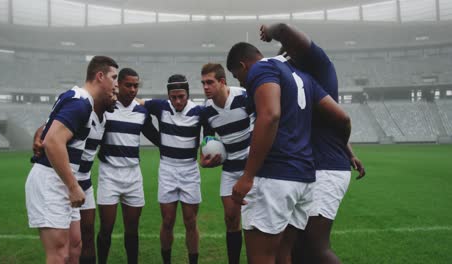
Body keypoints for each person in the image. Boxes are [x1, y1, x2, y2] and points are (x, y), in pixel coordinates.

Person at [226, 42, 351, 264]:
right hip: (303, 179)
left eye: (238, 77)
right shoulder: (303, 77)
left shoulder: (261, 69)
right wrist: (346, 149)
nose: (242, 83)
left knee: (261, 257)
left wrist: (247, 176)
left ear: (243, 66)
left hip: (274, 177)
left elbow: (271, 115)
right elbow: (342, 117)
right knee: (285, 255)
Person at [259, 23, 366, 264]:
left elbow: (285, 29)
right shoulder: (297, 83)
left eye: (286, 54)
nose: (284, 61)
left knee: (315, 246)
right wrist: (349, 151)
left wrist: (271, 31)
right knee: (295, 246)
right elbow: (320, 124)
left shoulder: (319, 66)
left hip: (326, 168)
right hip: (308, 169)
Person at [25, 55, 118, 264]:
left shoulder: (79, 99)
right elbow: (53, 141)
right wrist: (73, 185)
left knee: (75, 247)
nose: (116, 84)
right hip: (52, 180)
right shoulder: (81, 102)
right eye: (114, 78)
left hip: (63, 181)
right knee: (59, 255)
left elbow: (51, 130)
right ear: (100, 76)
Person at [96, 68, 159, 264]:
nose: (132, 89)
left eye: (136, 86)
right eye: (128, 85)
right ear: (119, 85)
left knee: (132, 229)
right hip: (109, 175)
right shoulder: (107, 108)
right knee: (106, 228)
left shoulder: (141, 111)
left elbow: (157, 138)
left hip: (133, 176)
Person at [140, 74, 203, 264]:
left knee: (190, 221)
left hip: (190, 170)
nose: (177, 101)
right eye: (173, 97)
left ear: (188, 94)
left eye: (181, 96)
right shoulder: (161, 107)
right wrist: (157, 139)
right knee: (167, 221)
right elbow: (138, 103)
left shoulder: (199, 111)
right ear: (168, 96)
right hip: (167, 169)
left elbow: (210, 130)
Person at [199, 63, 250, 264]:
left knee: (256, 221)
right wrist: (206, 161)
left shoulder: (244, 97)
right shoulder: (206, 111)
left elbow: (258, 131)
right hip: (230, 169)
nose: (205, 87)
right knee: (230, 219)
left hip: (253, 168)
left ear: (222, 82)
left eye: (210, 82)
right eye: (203, 83)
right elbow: (208, 143)